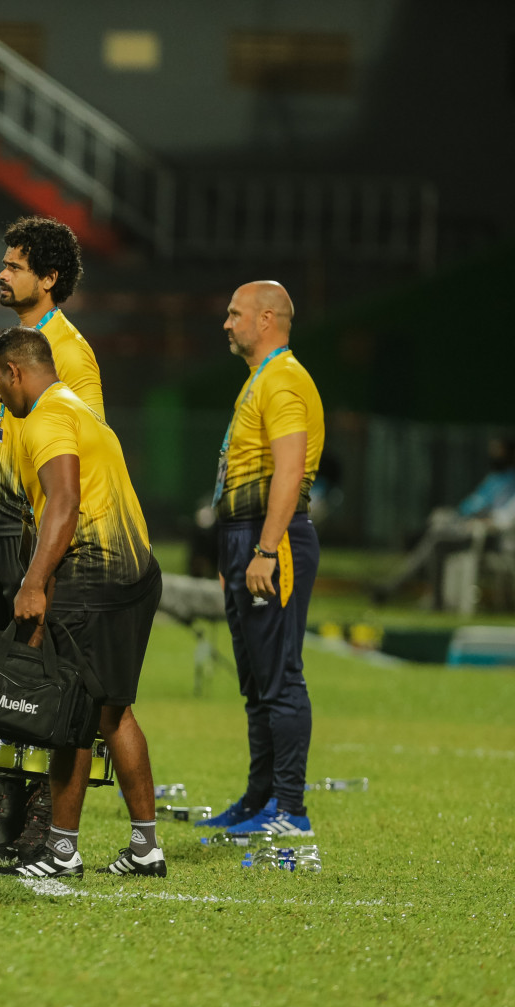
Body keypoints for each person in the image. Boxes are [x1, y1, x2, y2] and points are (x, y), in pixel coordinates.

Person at [0, 216, 101, 865]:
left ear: (48, 277)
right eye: (3, 263)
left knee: (40, 678)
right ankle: (0, 813)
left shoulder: (71, 353)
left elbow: (79, 455)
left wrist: (45, 562)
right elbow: (1, 446)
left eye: (14, 266)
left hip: (38, 535)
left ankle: (39, 819)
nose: (1, 274)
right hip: (2, 527)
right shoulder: (12, 345)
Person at [0, 327, 165, 878]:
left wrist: (34, 582)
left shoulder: (45, 417)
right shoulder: (77, 407)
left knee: (72, 715)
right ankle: (145, 848)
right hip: (137, 572)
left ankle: (61, 850)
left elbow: (63, 503)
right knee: (114, 712)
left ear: (16, 372)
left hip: (96, 577)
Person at [197, 280, 324, 839]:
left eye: (235, 314)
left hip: (272, 540)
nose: (227, 323)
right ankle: (259, 799)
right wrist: (235, 550)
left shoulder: (284, 380)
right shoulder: (260, 381)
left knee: (279, 679)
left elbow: (290, 473)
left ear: (266, 318)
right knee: (255, 684)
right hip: (245, 539)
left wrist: (267, 549)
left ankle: (290, 809)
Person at [374, 437, 515, 607]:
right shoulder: (493, 479)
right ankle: (431, 598)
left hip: (488, 537)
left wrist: (478, 521)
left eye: (498, 451)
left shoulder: (511, 482)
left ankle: (396, 587)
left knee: (436, 538)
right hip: (465, 526)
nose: (493, 455)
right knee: (437, 526)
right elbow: (468, 506)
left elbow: (505, 519)